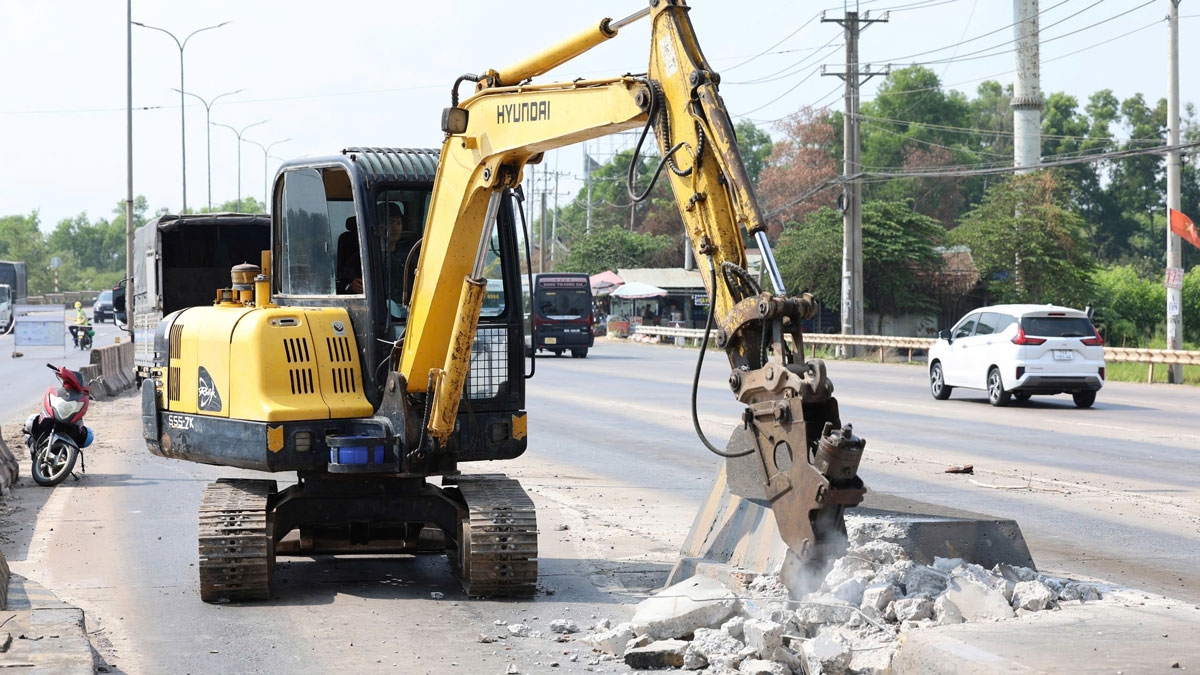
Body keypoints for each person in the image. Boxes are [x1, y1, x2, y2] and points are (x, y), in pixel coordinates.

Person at [384, 202, 421, 320]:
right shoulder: (367, 253)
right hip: (383, 310)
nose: (395, 228)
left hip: (410, 306)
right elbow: (349, 280)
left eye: (398, 223)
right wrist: (352, 284)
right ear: (379, 225)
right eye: (390, 223)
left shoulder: (411, 252)